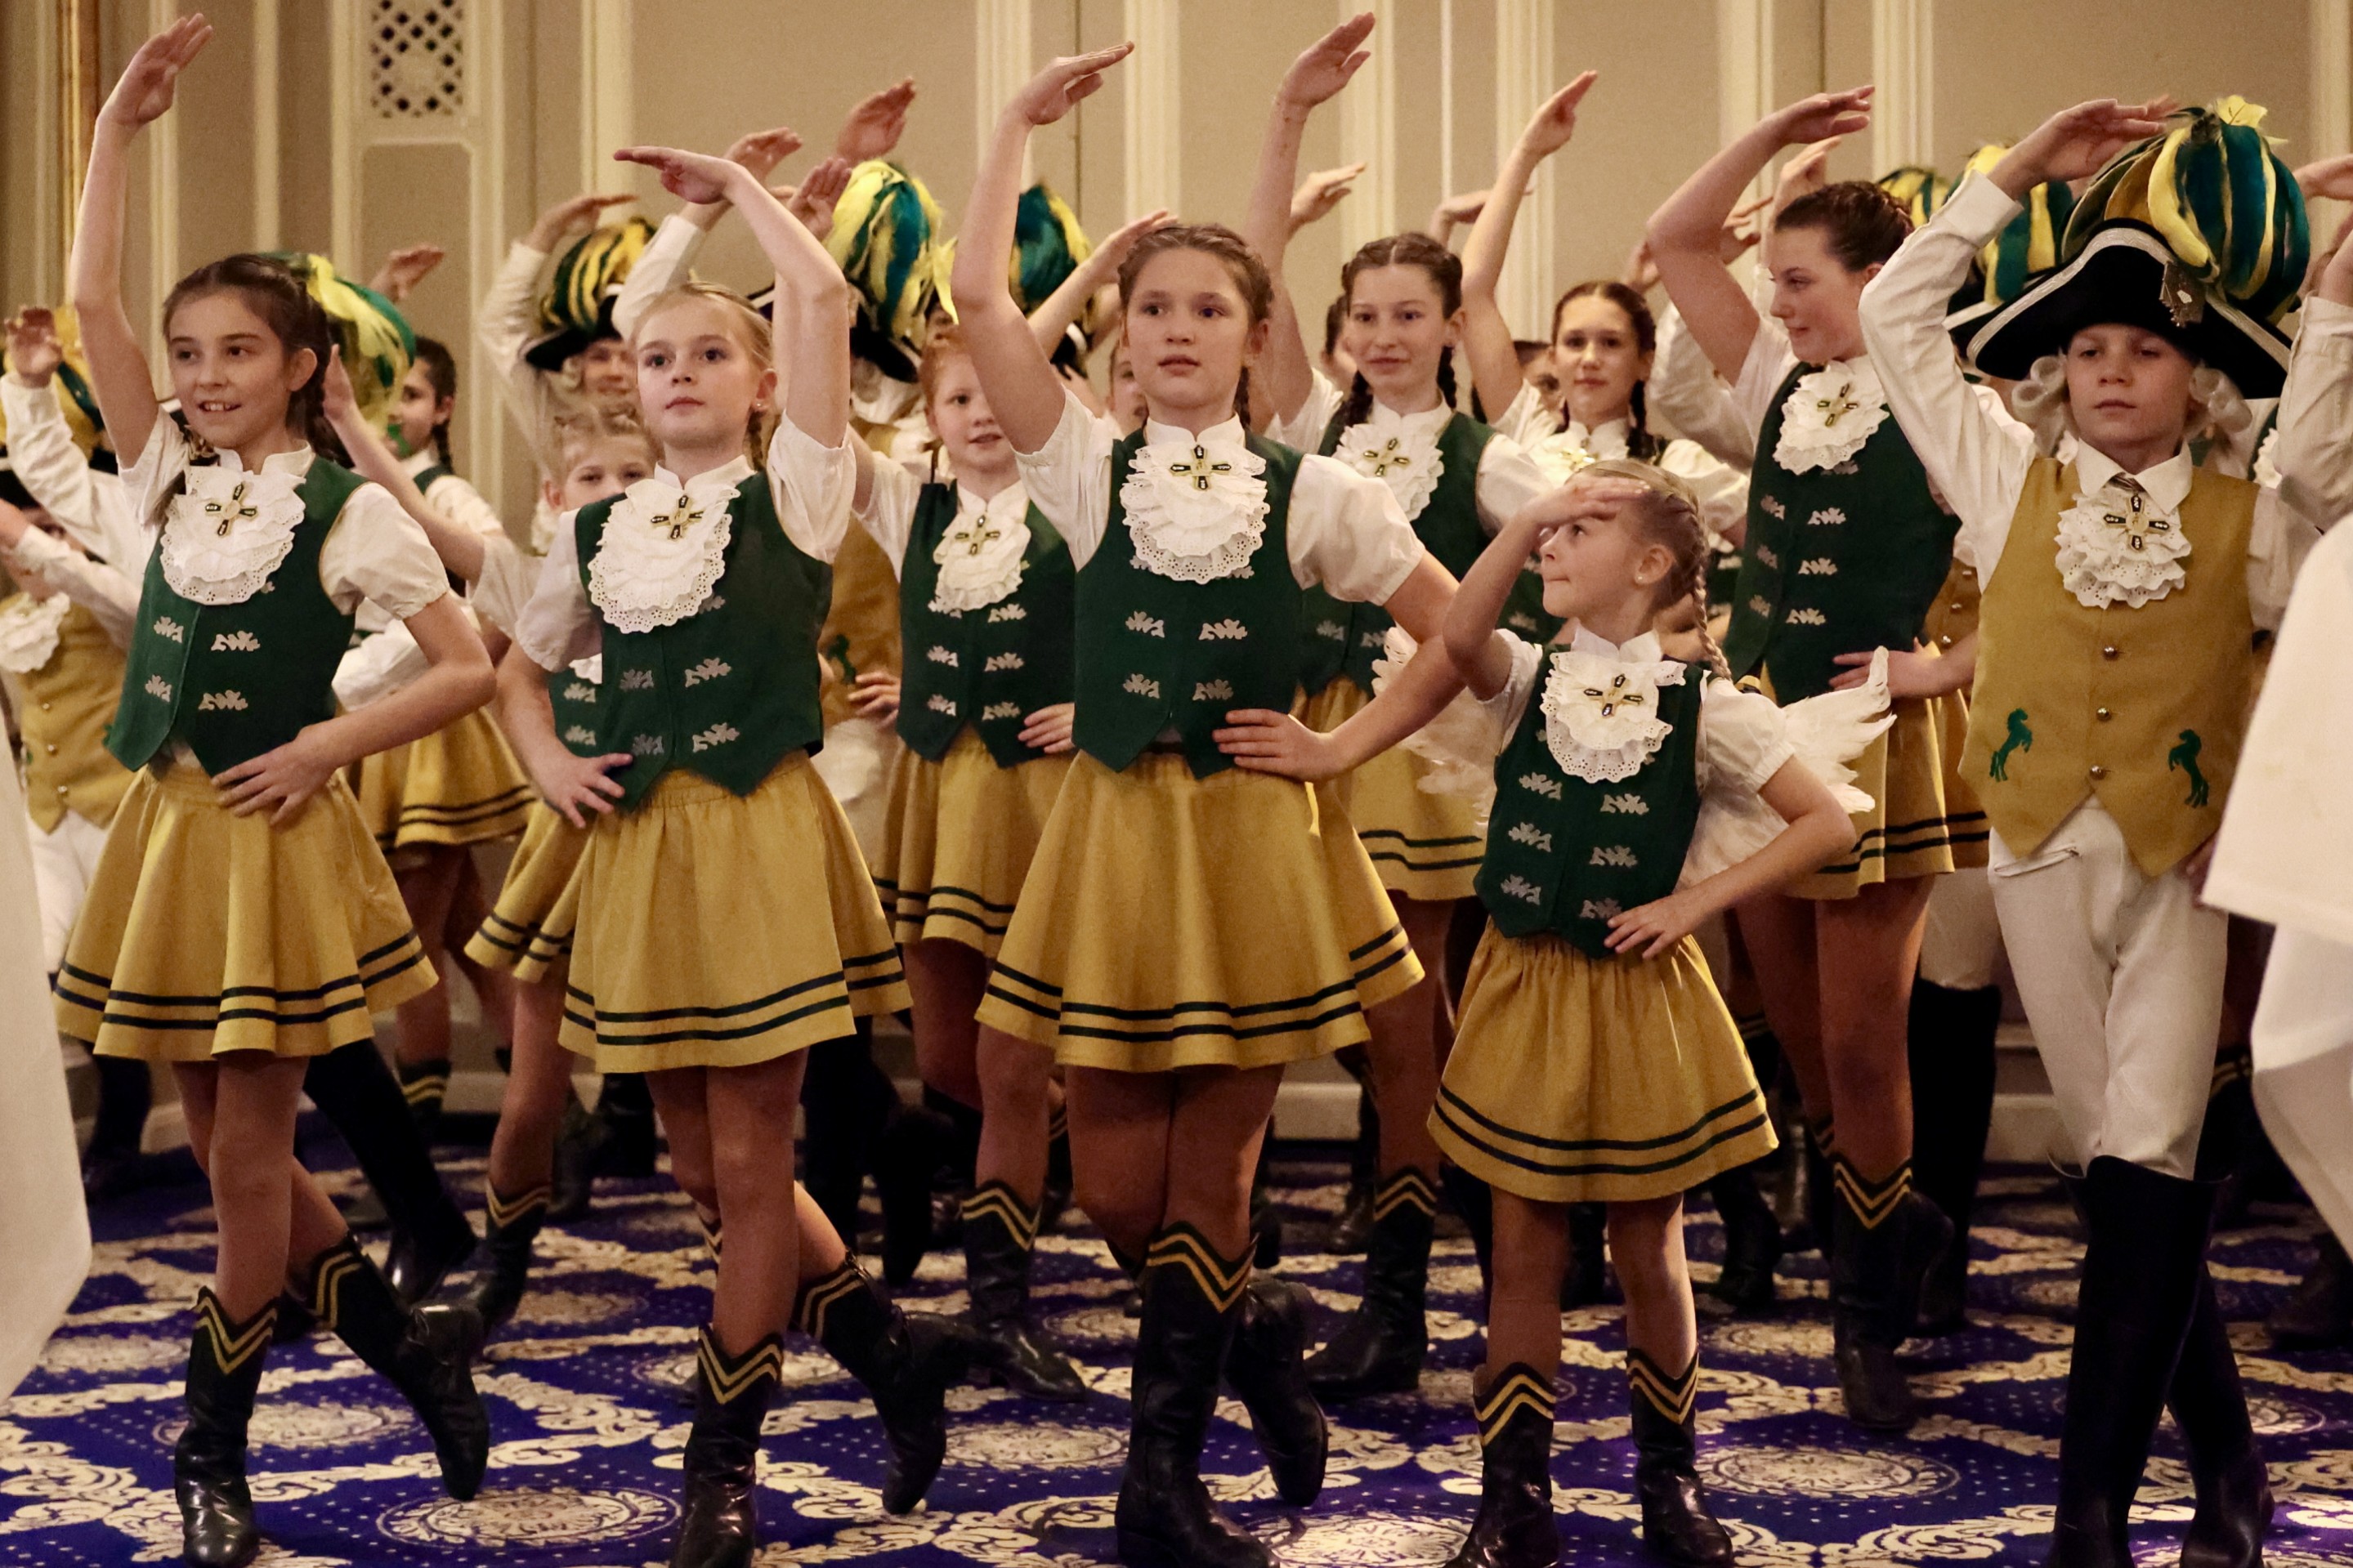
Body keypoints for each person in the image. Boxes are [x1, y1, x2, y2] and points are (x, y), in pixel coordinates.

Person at [951, 41, 1476, 1568]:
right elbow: (978, 300)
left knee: (1214, 1170)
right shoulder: (1080, 469)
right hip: (1116, 848)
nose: (1176, 329)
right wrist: (1013, 123)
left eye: (1207, 309)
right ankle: (1256, 1341)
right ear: (1119, 339)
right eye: (1153, 309)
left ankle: (1158, 1482)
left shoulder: (1319, 493)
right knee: (1118, 1188)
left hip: (1253, 848)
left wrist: (1342, 743)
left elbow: (1456, 633)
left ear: (1256, 339)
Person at [1859, 93, 2352, 1567]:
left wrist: (2330, 296)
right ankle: (2229, 1471)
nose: (2112, 371)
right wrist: (2014, 174)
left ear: (2195, 379)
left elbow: (2320, 569)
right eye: (2087, 349)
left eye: (2143, 348)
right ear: (2053, 372)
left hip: (2178, 871)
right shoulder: (1997, 482)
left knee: (2144, 1160)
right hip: (2030, 853)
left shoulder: (2252, 515)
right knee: (2121, 1173)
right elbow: (1894, 314)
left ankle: (2084, 1518)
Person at [55, 19, 498, 1565]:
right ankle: (409, 1345)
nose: (201, 376)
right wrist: (116, 128)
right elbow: (93, 299)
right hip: (175, 831)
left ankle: (209, 1444)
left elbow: (467, 667)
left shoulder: (350, 514)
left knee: (246, 1161)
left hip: (276, 839)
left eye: (235, 351)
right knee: (232, 1151)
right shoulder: (164, 474)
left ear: (303, 367)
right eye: (188, 354)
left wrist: (325, 746)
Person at [502, 133, 972, 1566]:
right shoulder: (600, 526)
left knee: (756, 1164)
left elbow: (818, 297)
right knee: (701, 1168)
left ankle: (723, 1464)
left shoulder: (798, 495)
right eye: (657, 360)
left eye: (711, 354)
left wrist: (735, 196)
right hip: (643, 850)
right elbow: (515, 668)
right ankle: (889, 1347)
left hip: (760, 834)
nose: (680, 374)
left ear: (762, 384)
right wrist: (549, 761)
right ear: (631, 386)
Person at [1427, 460, 1863, 1568]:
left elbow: (1825, 824)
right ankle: (1512, 1500)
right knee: (1521, 1250)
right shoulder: (1526, 677)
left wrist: (1692, 902)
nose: (1550, 544)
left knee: (1648, 1246)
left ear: (1651, 563)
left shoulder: (1706, 706)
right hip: (1524, 986)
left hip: (1637, 997)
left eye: (1580, 529)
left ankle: (1668, 1483)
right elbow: (1455, 634)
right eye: (1549, 529)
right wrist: (1524, 517)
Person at [1648, 86, 1979, 1431]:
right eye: (1773, 280)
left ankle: (1864, 1314)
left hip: (1879, 743)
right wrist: (1770, 139)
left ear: (1878, 283)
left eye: (1797, 279)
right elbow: (1676, 240)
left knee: (1858, 1040)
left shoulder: (1944, 403)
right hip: (1764, 734)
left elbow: (2036, 561)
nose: (1774, 302)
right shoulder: (1775, 385)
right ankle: (1902, 1227)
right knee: (1794, 1033)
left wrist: (1940, 667)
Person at [1240, 12, 1552, 1401]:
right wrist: (1286, 120)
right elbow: (1251, 276)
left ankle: (1414, 1288)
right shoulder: (1311, 428)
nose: (1379, 336)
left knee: (1414, 1017)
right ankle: (1439, 1248)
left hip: (1435, 753)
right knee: (1385, 1023)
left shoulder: (1488, 457)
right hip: (1323, 737)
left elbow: (1544, 585)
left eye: (1406, 315)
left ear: (1448, 325)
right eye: (1360, 315)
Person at [350, 333, 533, 1144]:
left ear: (445, 408)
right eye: (382, 395)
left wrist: (452, 674)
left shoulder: (447, 494)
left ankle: (414, 1144)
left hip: (424, 727)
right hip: (369, 718)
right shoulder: (346, 483)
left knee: (408, 942)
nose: (395, 413)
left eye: (413, 396)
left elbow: (499, 589)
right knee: (465, 933)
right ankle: (550, 1121)